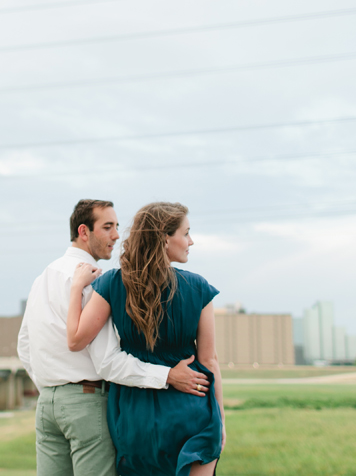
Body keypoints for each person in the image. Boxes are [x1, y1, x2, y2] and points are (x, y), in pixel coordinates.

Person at [17, 199, 211, 476]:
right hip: (86, 402)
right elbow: (108, 362)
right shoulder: (93, 280)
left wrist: (54, 389)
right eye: (108, 227)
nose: (117, 235)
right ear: (84, 232)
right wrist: (166, 375)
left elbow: (24, 345)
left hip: (47, 404)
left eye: (117, 226)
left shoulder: (42, 277)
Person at [67, 202, 224, 476]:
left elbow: (76, 339)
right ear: (165, 237)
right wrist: (219, 418)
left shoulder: (112, 284)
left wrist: (75, 290)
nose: (191, 241)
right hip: (191, 408)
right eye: (186, 233)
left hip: (133, 416)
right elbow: (209, 359)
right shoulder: (199, 288)